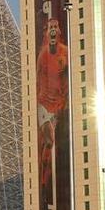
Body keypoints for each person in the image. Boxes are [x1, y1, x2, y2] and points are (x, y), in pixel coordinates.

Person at [36, 17, 69, 187]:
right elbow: (37, 79)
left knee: (58, 143)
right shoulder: (42, 56)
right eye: (51, 28)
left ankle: (48, 176)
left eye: (56, 27)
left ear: (60, 31)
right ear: (47, 33)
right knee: (49, 140)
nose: (54, 30)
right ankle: (42, 179)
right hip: (44, 105)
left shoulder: (66, 53)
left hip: (58, 108)